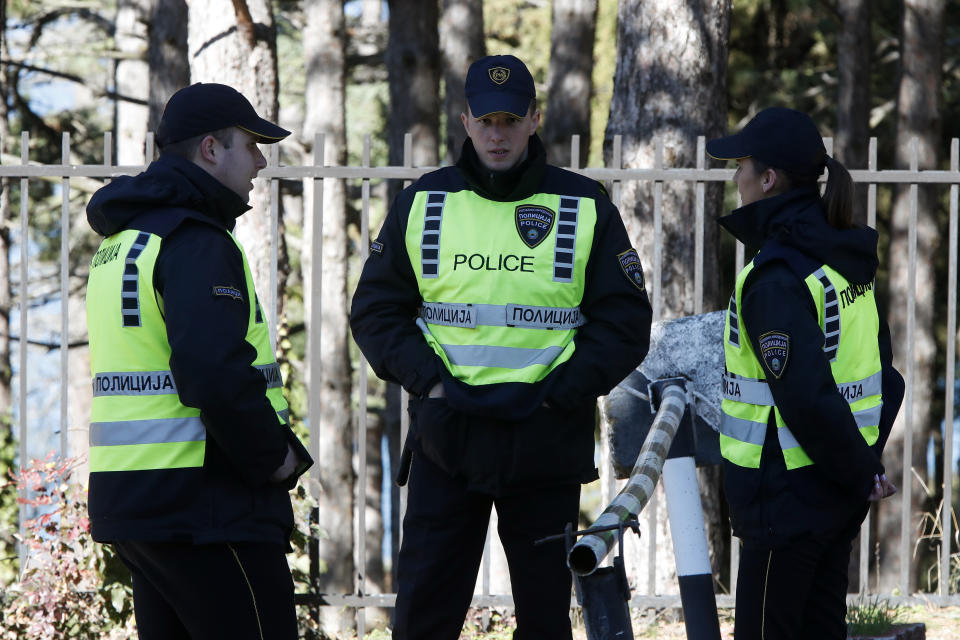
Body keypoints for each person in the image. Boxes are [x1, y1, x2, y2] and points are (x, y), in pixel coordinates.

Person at [350, 54, 651, 639]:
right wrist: (433, 384)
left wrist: (559, 393)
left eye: (510, 120)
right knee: (423, 617)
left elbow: (624, 322)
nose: (497, 133)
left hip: (545, 440)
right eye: (485, 120)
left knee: (544, 621)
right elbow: (376, 312)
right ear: (464, 120)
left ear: (534, 120)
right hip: (447, 440)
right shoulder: (424, 202)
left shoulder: (583, 204)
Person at [85, 83, 312, 640]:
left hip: (139, 501)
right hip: (207, 506)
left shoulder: (126, 241)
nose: (261, 161)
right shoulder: (195, 239)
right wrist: (274, 456)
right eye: (251, 145)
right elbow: (212, 371)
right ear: (211, 149)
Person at [707, 107, 904, 640]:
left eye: (741, 164)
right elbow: (885, 376)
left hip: (785, 503)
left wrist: (860, 472)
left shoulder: (776, 274)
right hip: (833, 496)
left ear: (767, 178)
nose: (735, 177)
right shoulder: (841, 256)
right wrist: (862, 468)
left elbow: (806, 396)